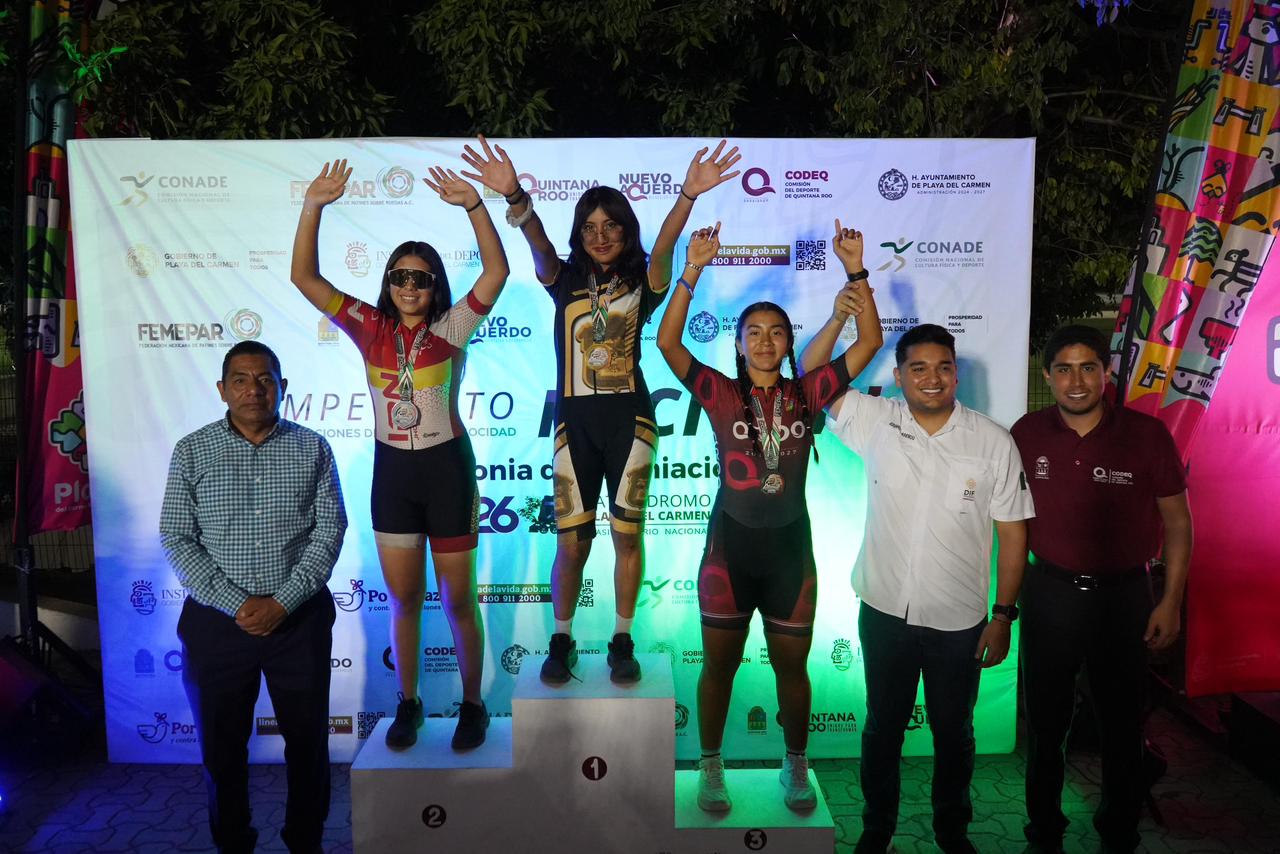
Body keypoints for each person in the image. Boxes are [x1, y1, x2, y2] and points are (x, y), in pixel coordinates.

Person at [459, 135, 741, 683]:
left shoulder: (644, 280)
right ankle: (561, 640)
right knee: (572, 542)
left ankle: (622, 640)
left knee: (626, 536)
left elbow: (666, 244)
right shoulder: (563, 278)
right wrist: (514, 195)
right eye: (589, 228)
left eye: (611, 225)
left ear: (626, 230)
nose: (600, 236)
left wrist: (687, 194)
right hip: (573, 428)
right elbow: (538, 242)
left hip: (632, 425)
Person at [657, 220, 883, 811]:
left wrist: (856, 270)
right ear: (738, 345)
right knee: (718, 668)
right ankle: (711, 767)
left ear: (788, 344)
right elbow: (668, 344)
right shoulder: (720, 393)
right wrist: (692, 269)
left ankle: (795, 764)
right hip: (728, 552)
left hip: (790, 554)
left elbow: (868, 343)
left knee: (793, 671)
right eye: (752, 333)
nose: (764, 342)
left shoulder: (808, 393)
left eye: (775, 332)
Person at [289, 158, 509, 750]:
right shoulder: (369, 327)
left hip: (446, 471)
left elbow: (497, 271)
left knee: (458, 599)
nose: (410, 287)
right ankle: (408, 703)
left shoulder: (452, 328)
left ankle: (473, 704)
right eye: (399, 277)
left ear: (435, 285)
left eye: (421, 278)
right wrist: (313, 206)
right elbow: (304, 277)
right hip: (393, 474)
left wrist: (474, 205)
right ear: (387, 283)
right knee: (405, 599)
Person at [802, 322, 1035, 854]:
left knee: (955, 733)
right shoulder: (876, 420)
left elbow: (1013, 532)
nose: (932, 378)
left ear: (956, 374)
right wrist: (838, 318)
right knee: (882, 728)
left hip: (960, 622)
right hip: (885, 611)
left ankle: (952, 832)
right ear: (899, 375)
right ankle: (877, 827)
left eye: (943, 367)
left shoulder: (993, 441)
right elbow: (813, 375)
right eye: (919, 368)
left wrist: (1003, 615)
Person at [160, 341, 347, 854]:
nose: (253, 390)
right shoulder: (192, 450)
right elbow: (177, 535)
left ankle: (305, 842)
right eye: (241, 380)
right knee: (222, 750)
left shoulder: (312, 448)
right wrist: (235, 603)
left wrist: (283, 601)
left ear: (282, 388)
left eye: (265, 379)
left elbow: (330, 529)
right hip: (217, 623)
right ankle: (233, 843)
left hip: (299, 620)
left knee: (307, 746)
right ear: (222, 390)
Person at [1011, 325, 1192, 854]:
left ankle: (1119, 833)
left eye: (1088, 367)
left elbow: (1179, 523)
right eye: (1064, 369)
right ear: (1048, 375)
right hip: (1050, 594)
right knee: (1046, 726)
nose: (1076, 381)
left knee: (1122, 725)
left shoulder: (1146, 435)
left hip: (1124, 600)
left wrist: (1170, 601)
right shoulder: (1026, 433)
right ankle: (1044, 832)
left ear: (1106, 372)